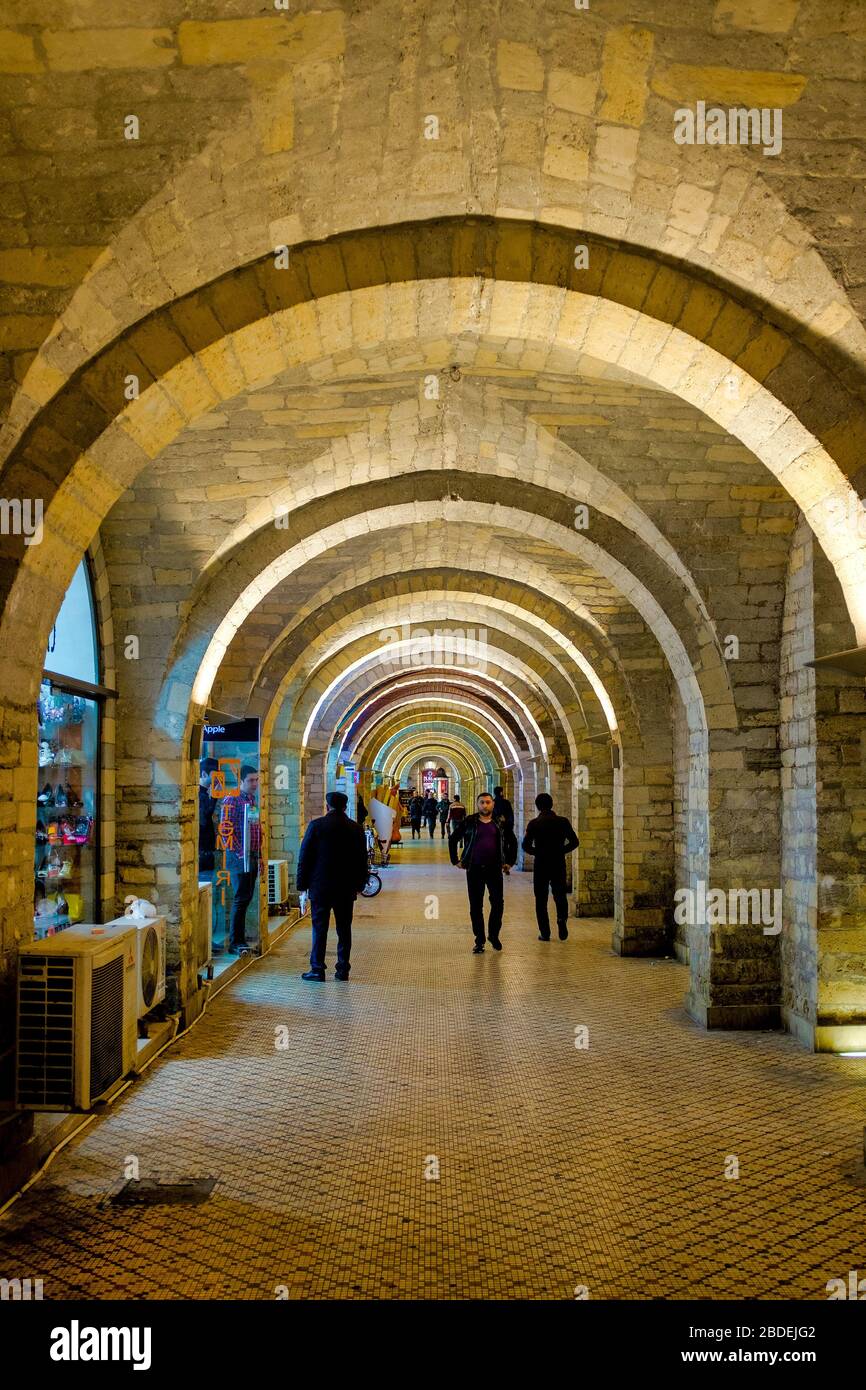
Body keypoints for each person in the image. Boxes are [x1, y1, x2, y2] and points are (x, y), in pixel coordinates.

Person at [297, 790, 369, 982]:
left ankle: (317, 969)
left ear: (327, 806)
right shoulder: (355, 829)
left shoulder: (316, 826)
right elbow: (362, 859)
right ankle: (343, 969)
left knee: (319, 928)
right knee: (344, 929)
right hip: (345, 888)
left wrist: (302, 886)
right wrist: (361, 883)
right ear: (345, 807)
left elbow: (304, 858)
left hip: (320, 887)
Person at [449, 790, 518, 953]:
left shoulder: (500, 822)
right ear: (478, 804)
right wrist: (455, 860)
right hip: (474, 868)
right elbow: (453, 839)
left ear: (492, 804)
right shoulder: (469, 821)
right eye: (482, 802)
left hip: (494, 868)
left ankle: (493, 935)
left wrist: (509, 861)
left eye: (488, 802)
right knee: (476, 905)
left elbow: (512, 841)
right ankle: (479, 940)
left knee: (497, 904)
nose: (485, 805)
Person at [522, 793, 579, 942]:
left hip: (541, 864)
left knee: (540, 899)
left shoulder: (534, 823)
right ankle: (561, 919)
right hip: (558, 862)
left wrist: (538, 852)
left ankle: (545, 932)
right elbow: (574, 842)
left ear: (537, 806)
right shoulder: (563, 822)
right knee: (560, 894)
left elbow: (525, 845)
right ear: (552, 804)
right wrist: (561, 850)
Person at [221, 764, 262, 954]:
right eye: (251, 780)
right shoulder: (232, 800)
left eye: (256, 779)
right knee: (240, 898)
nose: (255, 783)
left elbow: (255, 829)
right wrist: (240, 854)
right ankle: (235, 941)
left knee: (246, 898)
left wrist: (259, 856)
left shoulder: (251, 800)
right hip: (240, 859)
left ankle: (241, 938)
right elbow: (226, 832)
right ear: (241, 781)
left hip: (252, 856)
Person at [198, 757, 219, 876]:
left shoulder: (205, 793)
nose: (217, 779)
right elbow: (204, 818)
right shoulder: (199, 794)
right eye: (215, 775)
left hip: (207, 848)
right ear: (204, 774)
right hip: (203, 850)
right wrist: (215, 798)